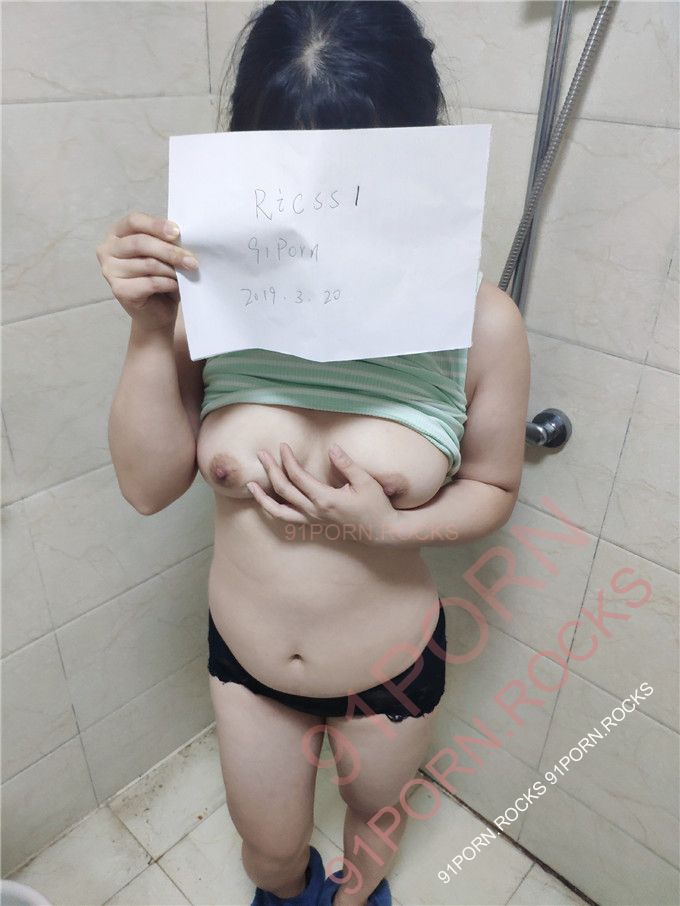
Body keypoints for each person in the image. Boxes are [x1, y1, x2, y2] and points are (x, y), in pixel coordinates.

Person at [98, 2, 530, 904]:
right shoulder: (209, 305)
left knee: (374, 824)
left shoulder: (482, 323)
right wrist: (148, 330)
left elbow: (493, 485)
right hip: (248, 664)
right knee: (268, 856)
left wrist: (391, 527)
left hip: (389, 667)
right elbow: (145, 488)